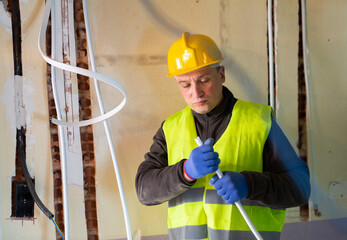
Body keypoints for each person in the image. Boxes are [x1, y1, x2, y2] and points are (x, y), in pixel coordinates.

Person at [135, 32, 310, 240]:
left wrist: (250, 184)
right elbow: (144, 190)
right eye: (186, 85)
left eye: (204, 80)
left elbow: (300, 187)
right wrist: (185, 171)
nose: (196, 93)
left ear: (222, 74)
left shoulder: (259, 120)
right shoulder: (170, 129)